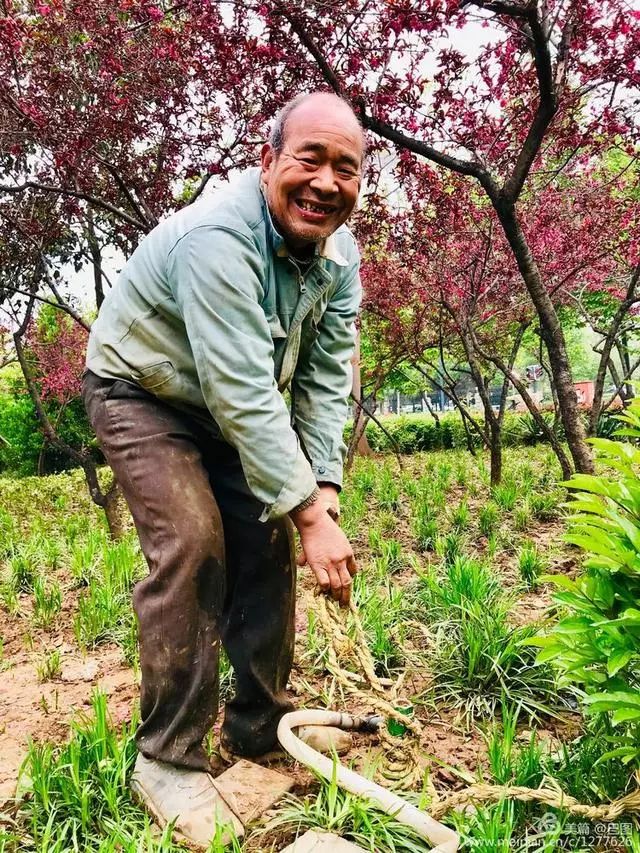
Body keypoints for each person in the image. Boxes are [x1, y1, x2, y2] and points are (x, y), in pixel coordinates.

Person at [82, 91, 365, 846]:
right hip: (142, 391)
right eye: (310, 158)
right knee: (195, 539)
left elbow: (323, 380)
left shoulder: (340, 258)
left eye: (347, 166)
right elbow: (243, 389)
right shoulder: (217, 237)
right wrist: (307, 511)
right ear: (268, 158)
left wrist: (321, 498)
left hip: (221, 404)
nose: (326, 182)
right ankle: (167, 756)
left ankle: (261, 722)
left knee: (272, 533)